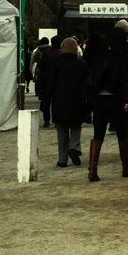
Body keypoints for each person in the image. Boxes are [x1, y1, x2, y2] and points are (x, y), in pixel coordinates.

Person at [85, 20, 128, 181]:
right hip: (117, 98)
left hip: (100, 97)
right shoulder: (122, 54)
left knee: (98, 134)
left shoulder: (100, 53)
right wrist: (127, 100)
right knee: (122, 133)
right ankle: (126, 167)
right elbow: (125, 79)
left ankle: (93, 170)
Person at [42, 36, 89, 168]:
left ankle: (62, 159)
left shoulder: (57, 64)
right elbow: (87, 83)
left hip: (59, 101)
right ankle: (74, 147)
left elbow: (50, 84)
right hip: (77, 101)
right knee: (76, 126)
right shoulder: (82, 64)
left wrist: (45, 101)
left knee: (61, 130)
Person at [31, 37, 51, 125]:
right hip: (52, 77)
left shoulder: (37, 51)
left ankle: (46, 119)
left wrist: (33, 73)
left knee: (45, 98)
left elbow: (33, 63)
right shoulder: (52, 51)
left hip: (42, 77)